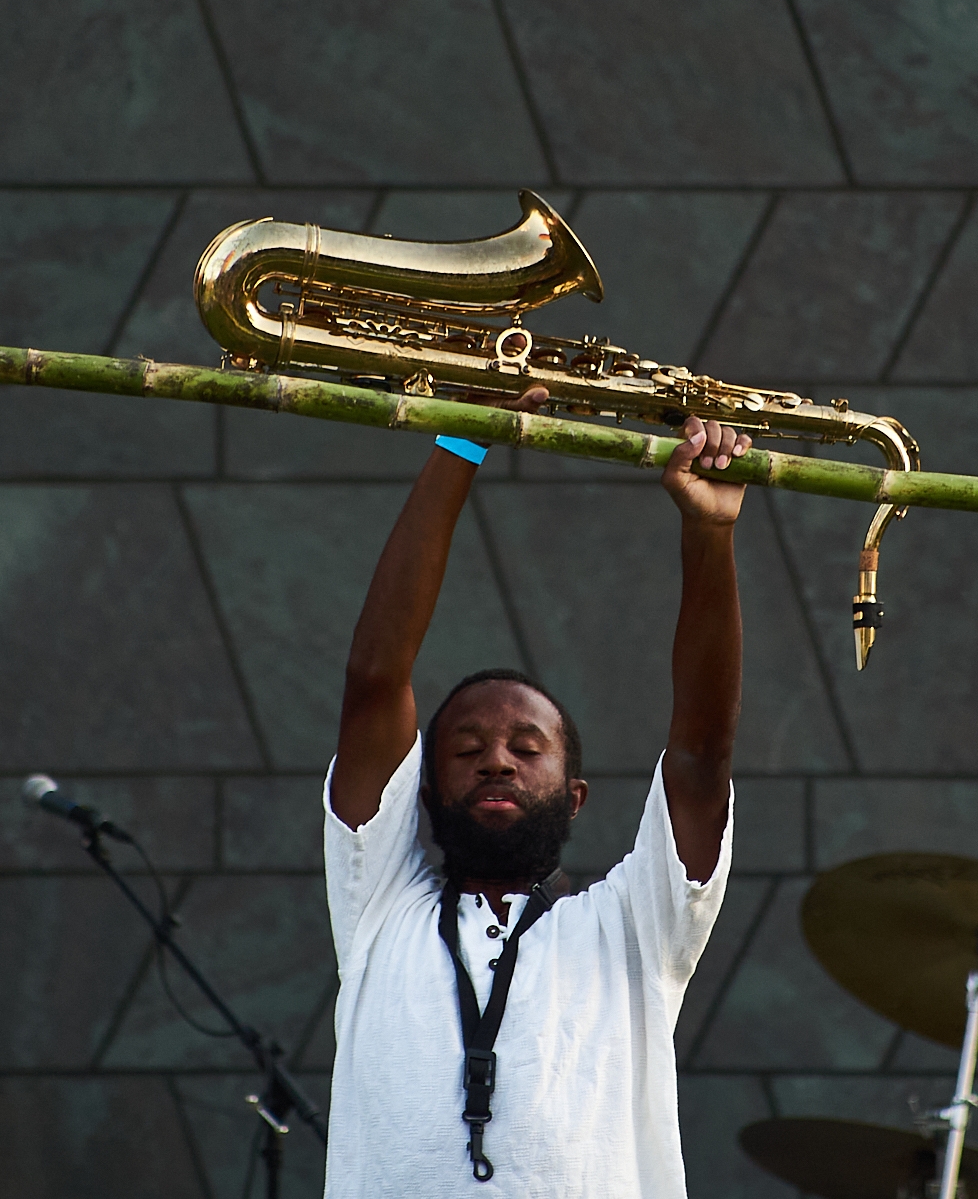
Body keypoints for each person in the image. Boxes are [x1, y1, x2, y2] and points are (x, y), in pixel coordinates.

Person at [321, 386, 753, 1197]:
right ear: (420, 790)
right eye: (465, 748)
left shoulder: (633, 924)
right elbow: (375, 680)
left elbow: (701, 754)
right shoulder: (378, 902)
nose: (496, 762)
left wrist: (711, 531)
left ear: (576, 795)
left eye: (527, 748)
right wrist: (462, 442)